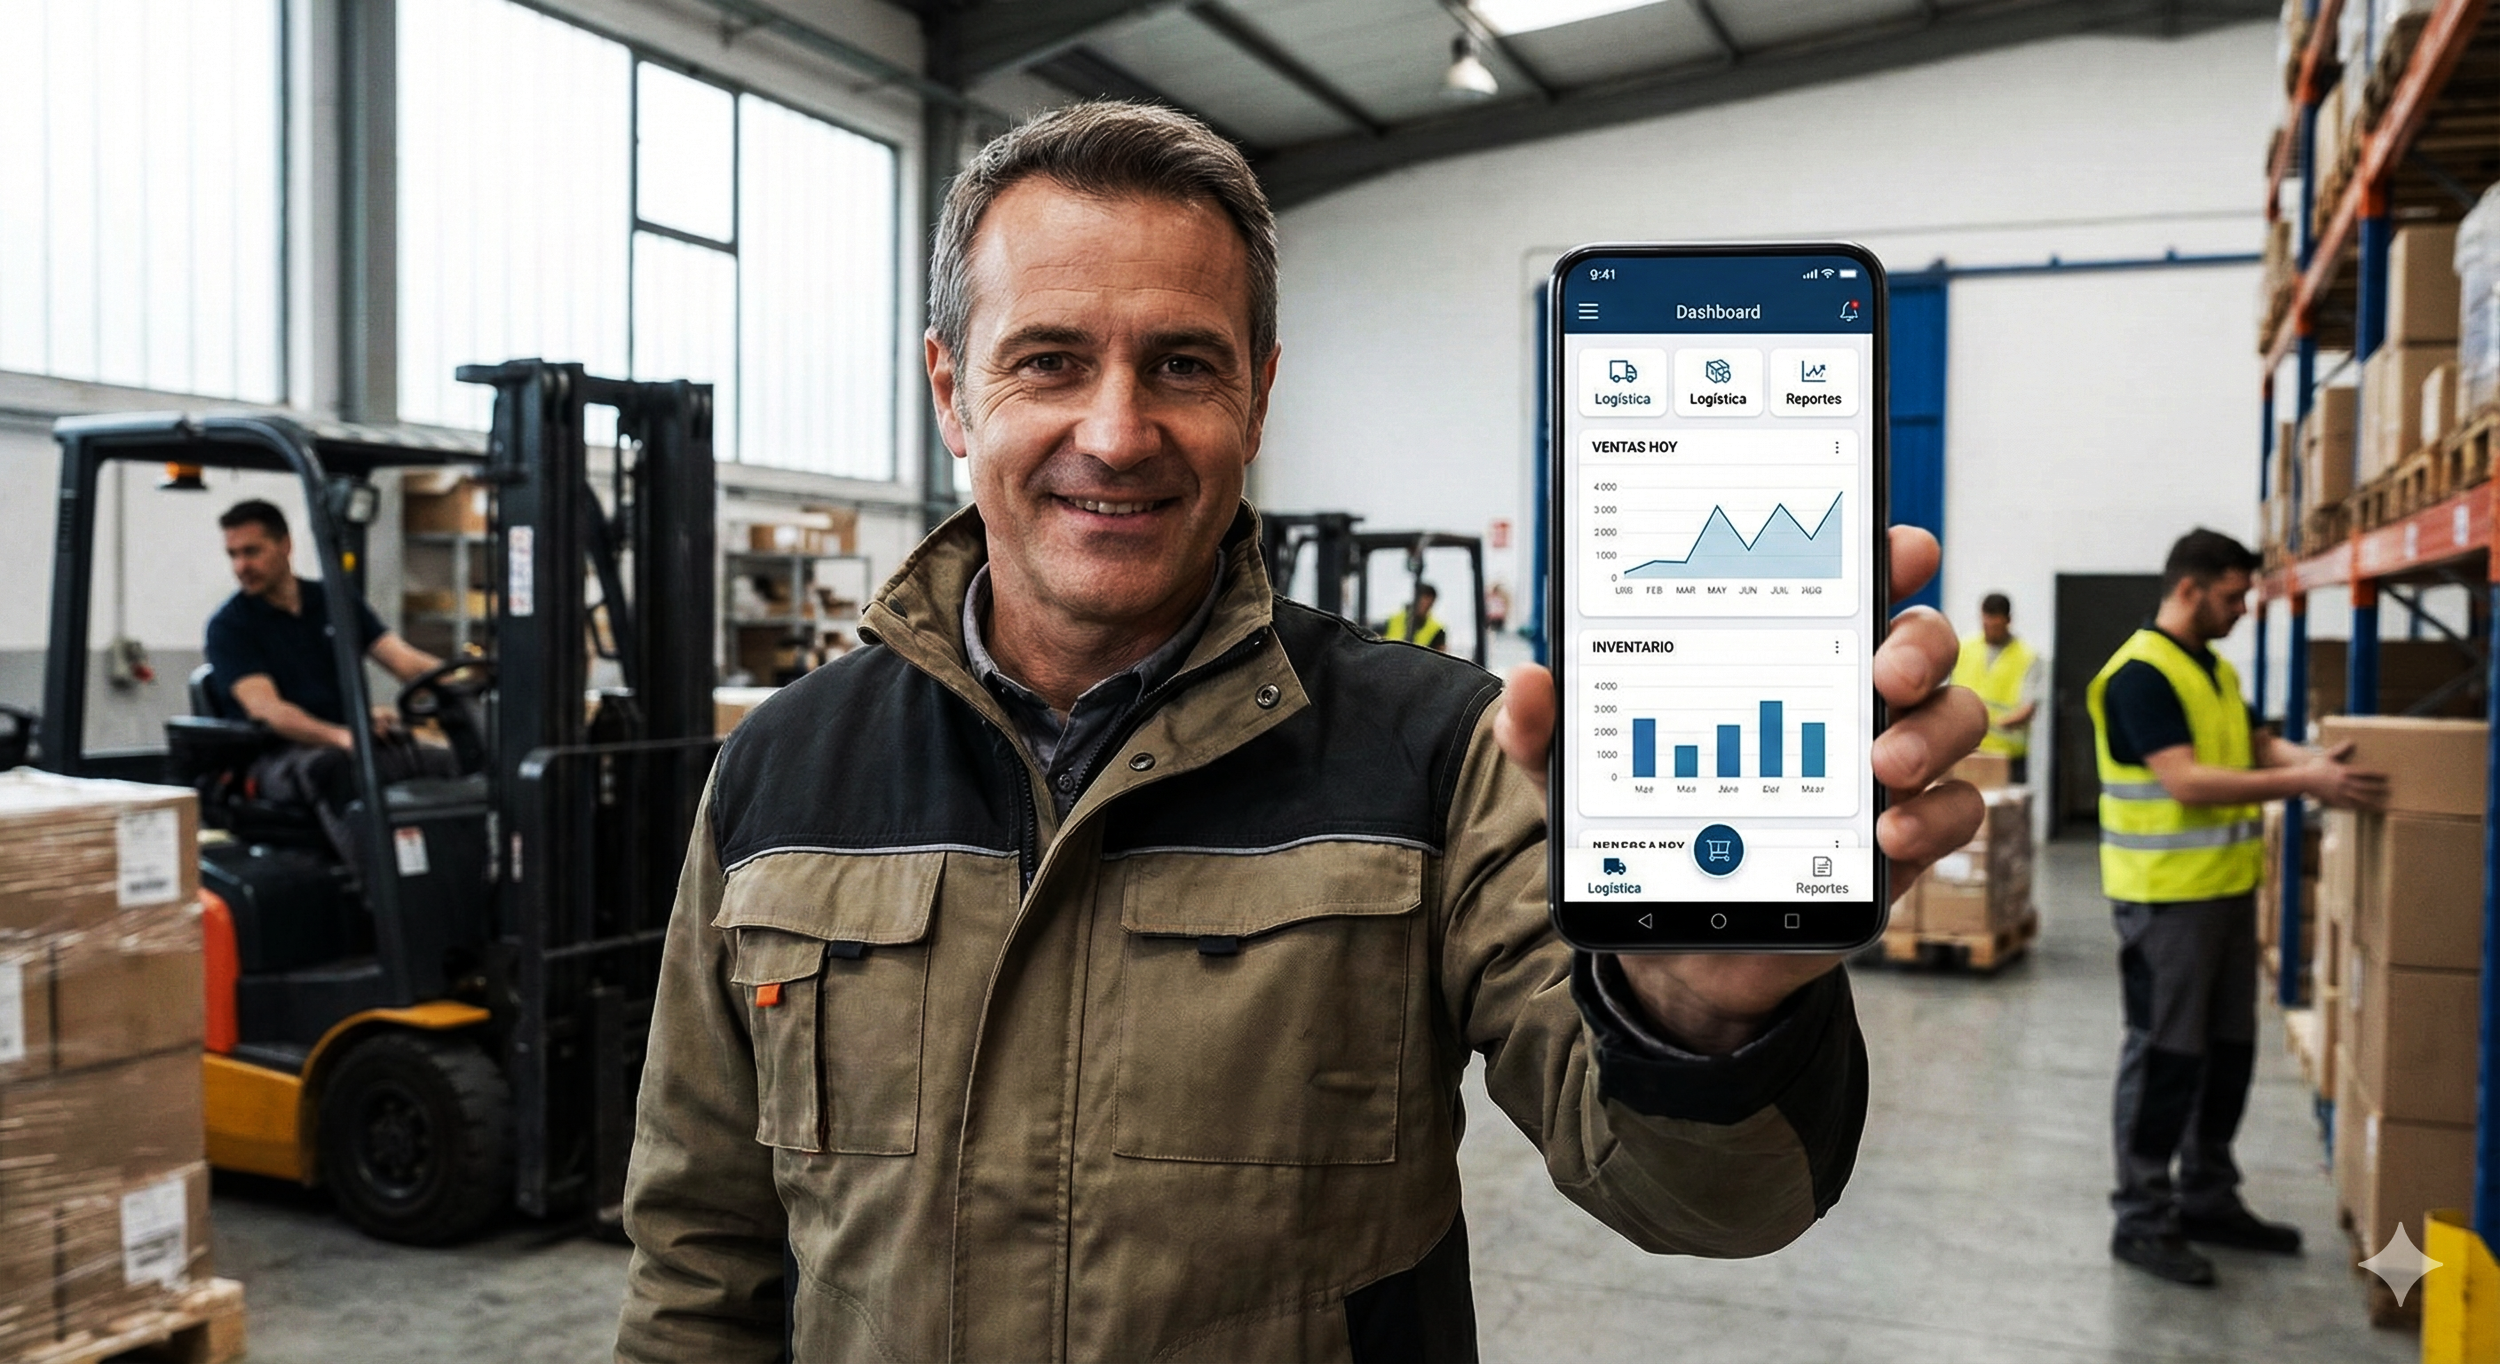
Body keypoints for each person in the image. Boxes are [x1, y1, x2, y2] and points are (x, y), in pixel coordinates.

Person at [615, 101, 1988, 1363]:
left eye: (1182, 365)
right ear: (949, 388)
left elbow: (1707, 1202)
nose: (1117, 428)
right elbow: (701, 1252)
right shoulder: (782, 771)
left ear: (1259, 394)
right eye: (1048, 361)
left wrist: (1702, 1011)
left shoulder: (1438, 756)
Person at [2087, 528, 2385, 1286]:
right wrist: (2305, 785)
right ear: (2188, 589)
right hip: (2165, 907)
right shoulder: (2139, 675)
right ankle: (2143, 1217)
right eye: (2234, 594)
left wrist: (2316, 762)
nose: (2244, 608)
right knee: (2164, 1060)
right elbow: (2186, 782)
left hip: (2222, 895)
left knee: (2226, 1058)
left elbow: (2255, 744)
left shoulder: (2210, 670)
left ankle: (2207, 1196)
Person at [204, 499, 456, 854]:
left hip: (346, 740)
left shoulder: (334, 602)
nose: (241, 566)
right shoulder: (231, 626)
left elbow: (403, 661)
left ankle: (452, 879)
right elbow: (269, 711)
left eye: (251, 552)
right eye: (233, 555)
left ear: (285, 545)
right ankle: (377, 898)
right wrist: (342, 736)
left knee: (446, 761)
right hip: (276, 758)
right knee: (338, 771)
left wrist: (466, 679)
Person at [1951, 591, 2043, 784]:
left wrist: (1998, 724)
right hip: (1968, 751)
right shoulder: (1964, 649)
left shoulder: (2027, 656)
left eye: (1996, 625)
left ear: (2008, 621)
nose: (1990, 630)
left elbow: (2029, 706)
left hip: (2009, 756)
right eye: (1986, 624)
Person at [1384, 582, 1448, 651]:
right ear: (1415, 598)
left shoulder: (1437, 630)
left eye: (1429, 604)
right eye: (1423, 602)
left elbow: (1439, 655)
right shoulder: (1392, 621)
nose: (1425, 606)